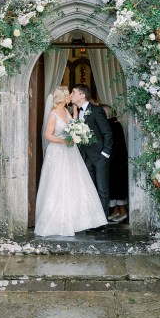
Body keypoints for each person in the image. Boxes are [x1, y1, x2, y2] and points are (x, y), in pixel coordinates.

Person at [34, 86, 107, 237]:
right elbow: (48, 135)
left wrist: (76, 126)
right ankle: (58, 221)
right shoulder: (53, 114)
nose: (70, 97)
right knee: (58, 184)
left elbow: (73, 124)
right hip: (58, 152)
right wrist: (64, 140)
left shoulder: (66, 111)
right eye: (68, 95)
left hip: (70, 152)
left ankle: (76, 220)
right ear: (62, 98)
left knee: (74, 183)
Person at [70, 84, 113, 230]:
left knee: (102, 190)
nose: (71, 94)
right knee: (90, 190)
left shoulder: (96, 111)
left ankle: (103, 223)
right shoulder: (76, 112)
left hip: (99, 157)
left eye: (74, 92)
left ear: (82, 95)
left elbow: (107, 133)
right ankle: (92, 221)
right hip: (85, 157)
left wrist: (105, 154)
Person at [101, 105, 128, 223]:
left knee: (117, 185)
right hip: (114, 159)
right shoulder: (113, 124)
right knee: (113, 185)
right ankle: (116, 210)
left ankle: (123, 211)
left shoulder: (113, 125)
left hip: (116, 160)